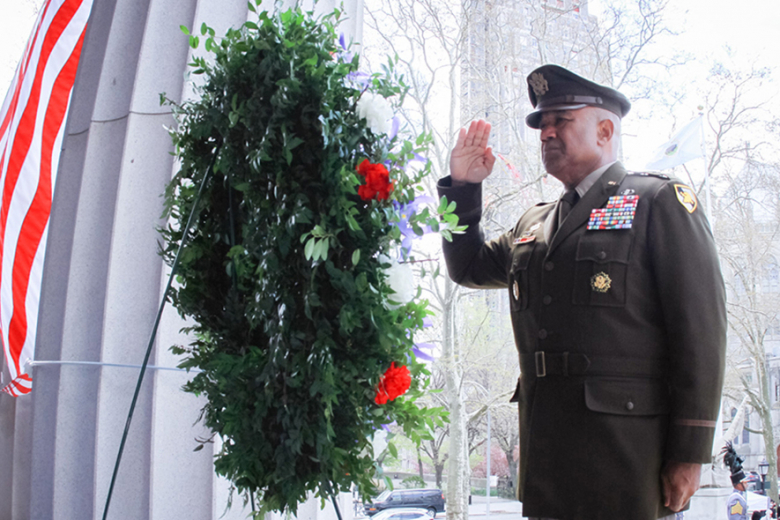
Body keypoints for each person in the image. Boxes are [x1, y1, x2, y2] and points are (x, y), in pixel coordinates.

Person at [438, 64, 727, 520]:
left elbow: (700, 336)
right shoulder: (532, 224)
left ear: (605, 129)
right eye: (541, 124)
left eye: (561, 120)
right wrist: (462, 187)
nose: (546, 133)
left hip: (626, 456)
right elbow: (468, 266)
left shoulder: (656, 202)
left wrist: (689, 453)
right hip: (548, 454)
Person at [723, 443, 749, 520]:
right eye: (744, 481)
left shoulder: (740, 497)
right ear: (738, 484)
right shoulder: (736, 499)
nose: (746, 483)